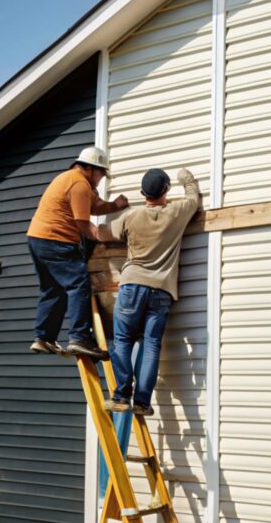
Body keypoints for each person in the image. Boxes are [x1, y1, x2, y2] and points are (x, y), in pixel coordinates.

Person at [106, 167, 200, 415]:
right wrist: (186, 178)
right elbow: (193, 198)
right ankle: (142, 402)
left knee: (122, 340)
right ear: (166, 190)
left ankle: (122, 395)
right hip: (161, 290)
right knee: (151, 344)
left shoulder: (131, 217)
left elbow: (109, 232)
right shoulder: (176, 213)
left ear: (142, 193)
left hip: (131, 285)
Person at [27, 146, 128, 360]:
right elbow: (85, 226)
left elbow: (94, 206)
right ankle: (80, 338)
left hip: (37, 239)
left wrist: (115, 206)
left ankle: (44, 337)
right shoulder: (79, 184)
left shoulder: (71, 179)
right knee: (79, 283)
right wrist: (110, 236)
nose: (101, 178)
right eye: (101, 173)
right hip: (55, 239)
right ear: (91, 169)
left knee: (53, 289)